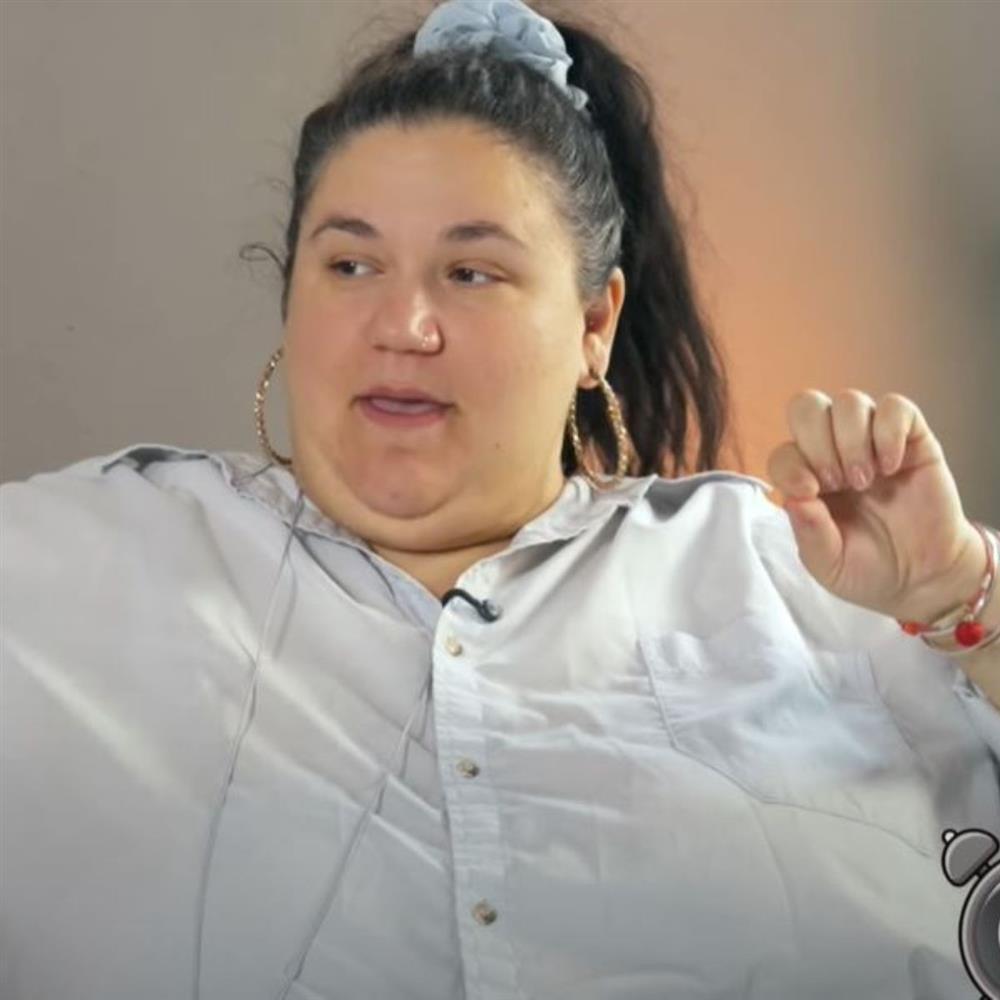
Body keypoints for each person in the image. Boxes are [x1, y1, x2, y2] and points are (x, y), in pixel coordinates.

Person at [1, 2, 998, 998]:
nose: (403, 323)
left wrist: (960, 597)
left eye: (471, 273)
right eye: (350, 264)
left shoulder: (804, 571)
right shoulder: (75, 566)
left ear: (593, 325)